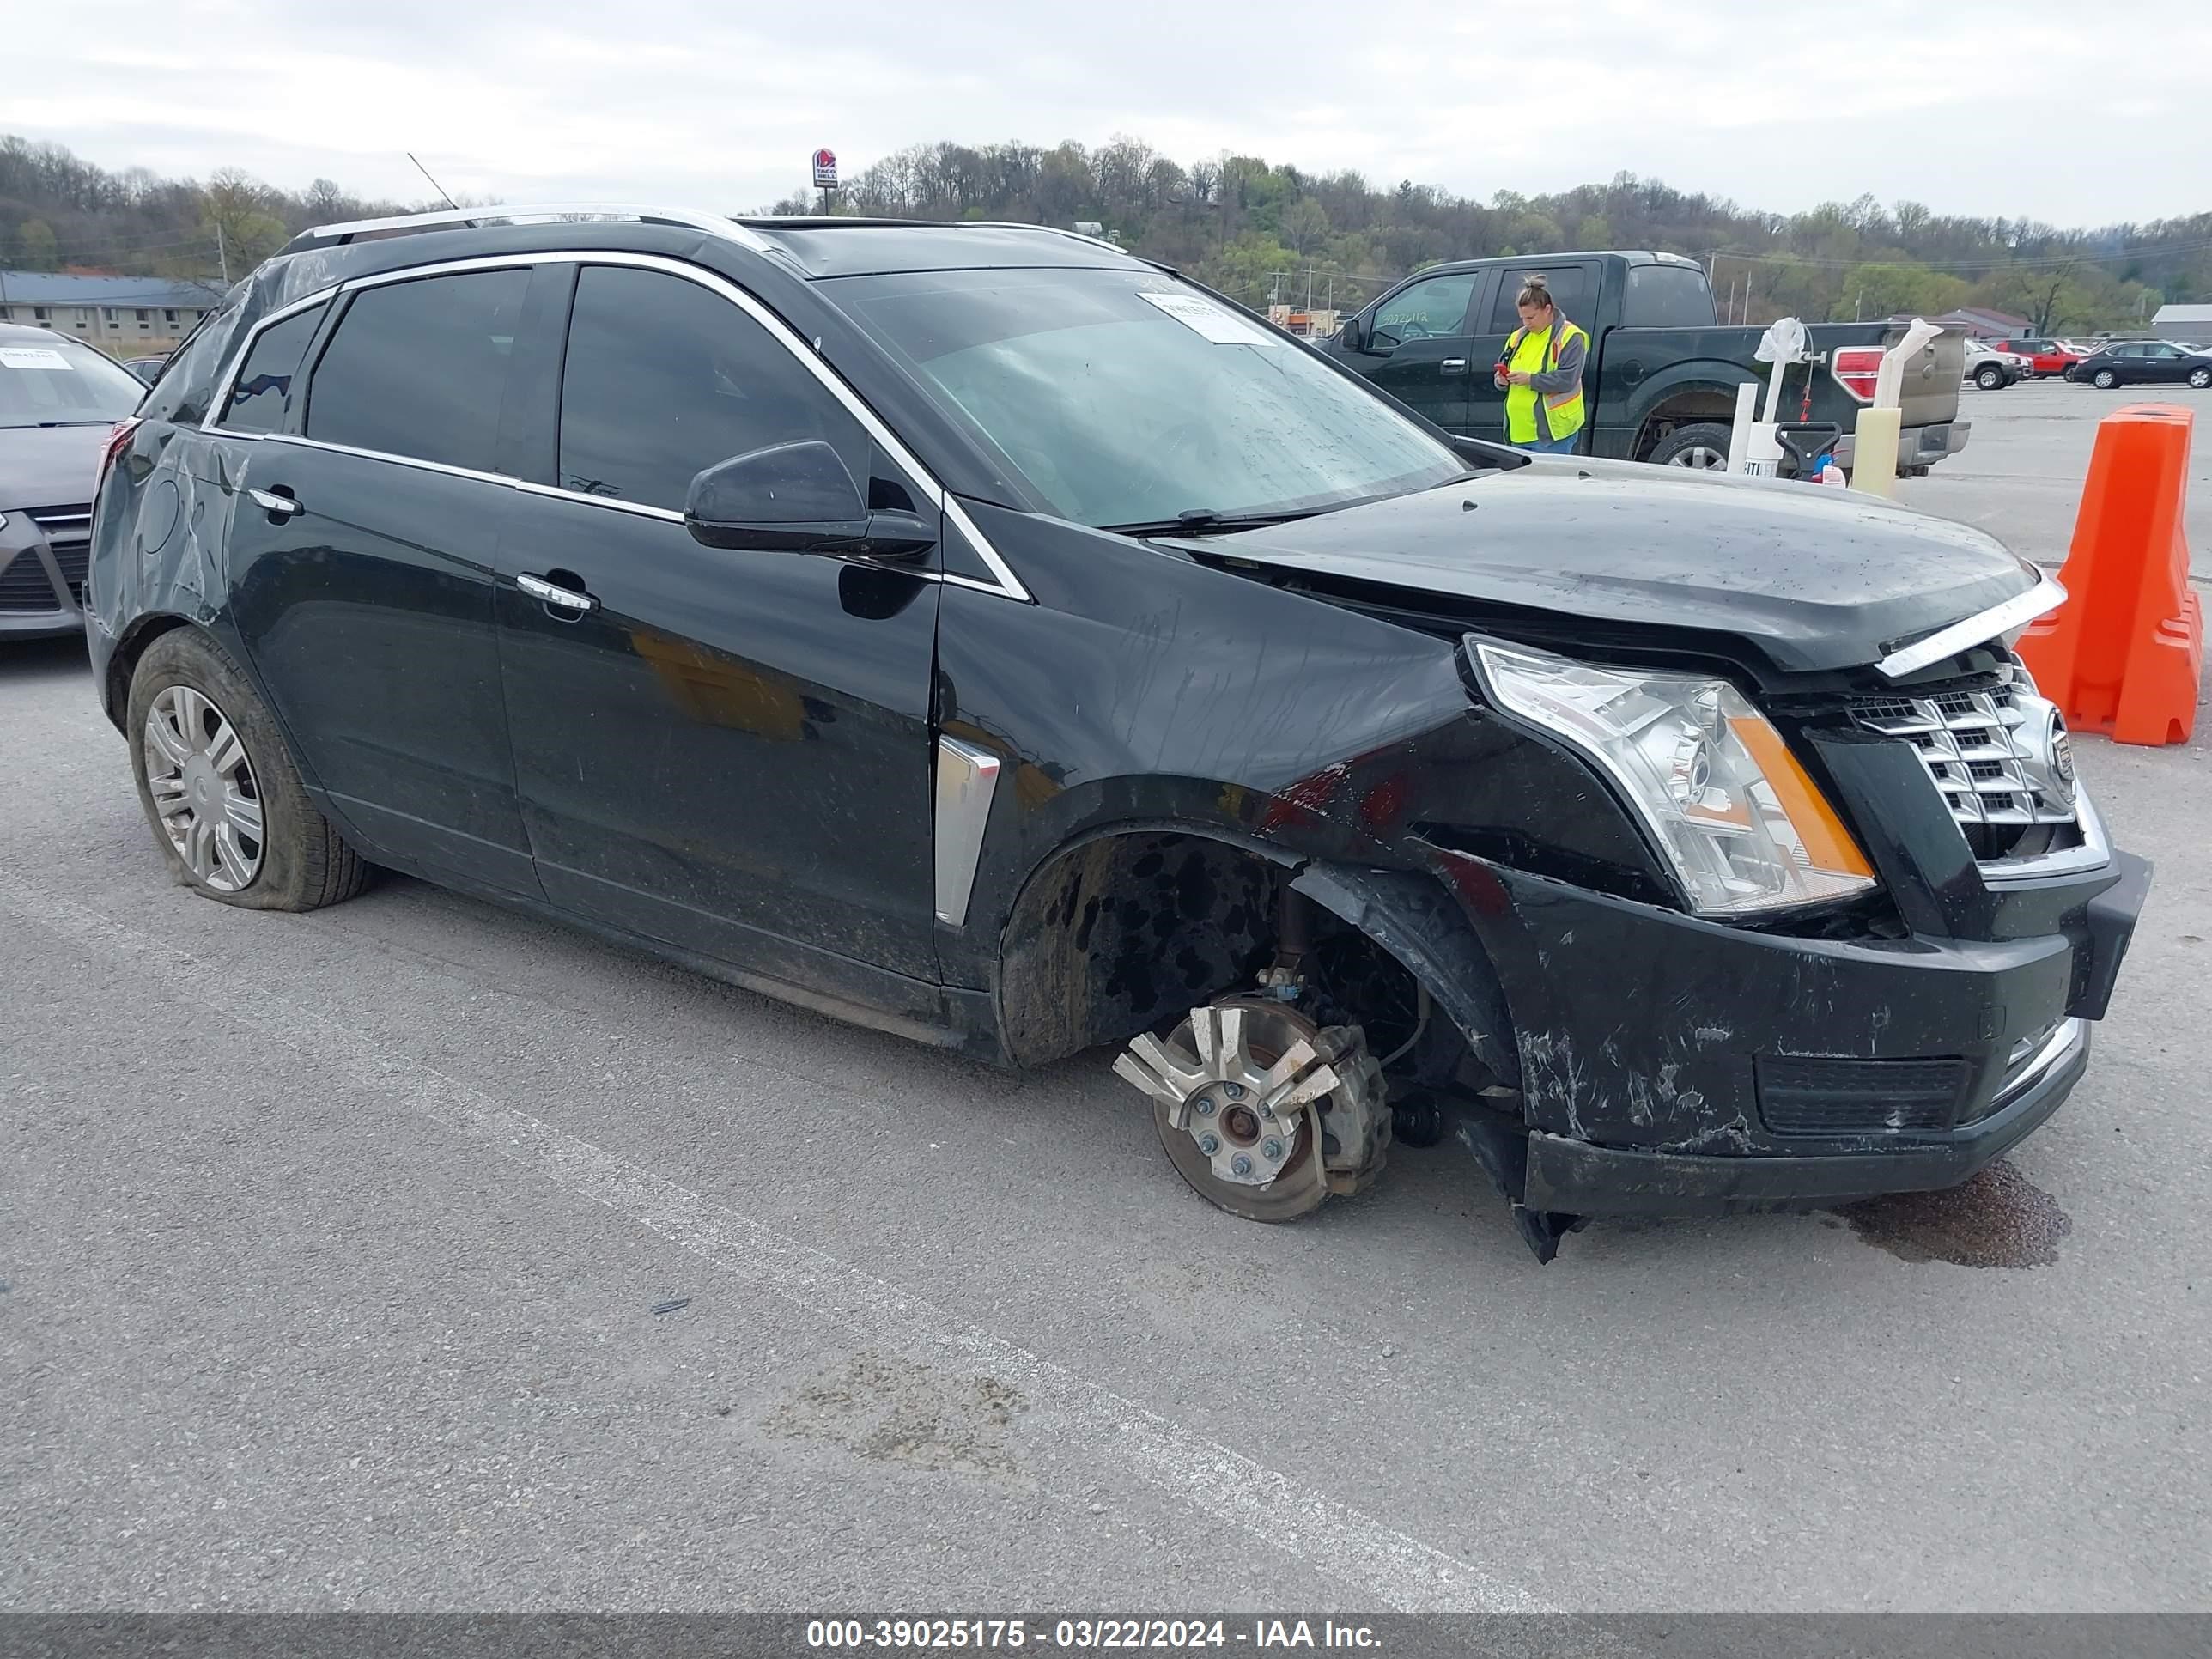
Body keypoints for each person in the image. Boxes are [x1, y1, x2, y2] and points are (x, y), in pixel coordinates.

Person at [1493, 275, 1589, 453]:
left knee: (1550, 481)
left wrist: (1530, 379)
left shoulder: (1571, 337)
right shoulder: (1517, 337)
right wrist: (1501, 380)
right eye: (1522, 318)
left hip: (1552, 435)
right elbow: (1502, 374)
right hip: (1518, 433)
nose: (1526, 323)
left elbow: (1567, 379)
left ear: (1547, 309)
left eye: (1531, 317)